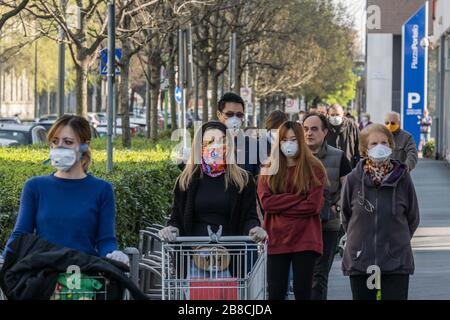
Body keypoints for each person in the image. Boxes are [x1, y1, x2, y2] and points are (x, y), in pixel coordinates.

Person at [3, 115, 128, 265]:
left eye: (68, 142)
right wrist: (5, 258)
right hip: (43, 278)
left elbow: (105, 240)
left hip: (86, 279)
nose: (59, 147)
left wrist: (113, 254)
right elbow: (21, 234)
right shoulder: (35, 187)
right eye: (55, 141)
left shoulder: (102, 190)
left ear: (84, 146)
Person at [341, 124, 420, 300]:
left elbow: (413, 217)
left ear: (391, 146)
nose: (379, 147)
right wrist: (360, 241)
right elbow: (346, 216)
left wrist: (398, 242)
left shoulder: (403, 178)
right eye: (374, 143)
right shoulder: (353, 179)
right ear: (364, 149)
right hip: (361, 260)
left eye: (384, 142)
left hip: (396, 260)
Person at [159, 121, 266, 241]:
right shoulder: (186, 180)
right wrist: (171, 229)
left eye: (222, 141)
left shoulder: (243, 180)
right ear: (200, 146)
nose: (216, 146)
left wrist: (254, 229)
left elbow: (249, 216)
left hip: (232, 252)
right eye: (210, 142)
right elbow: (176, 218)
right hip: (193, 252)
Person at [258, 121, 327, 300]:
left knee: (303, 291)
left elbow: (313, 205)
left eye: (294, 139)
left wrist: (280, 204)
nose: (289, 143)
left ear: (301, 141)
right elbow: (266, 203)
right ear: (278, 142)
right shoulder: (268, 169)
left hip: (305, 238)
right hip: (276, 237)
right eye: (285, 139)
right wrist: (298, 197)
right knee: (275, 291)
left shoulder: (315, 168)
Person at [302, 113, 352, 300]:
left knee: (319, 276)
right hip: (299, 226)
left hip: (327, 226)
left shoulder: (339, 157)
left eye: (314, 129)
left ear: (325, 132)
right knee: (302, 277)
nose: (309, 133)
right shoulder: (292, 156)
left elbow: (349, 189)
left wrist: (337, 208)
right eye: (305, 129)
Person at [326, 104, 360, 168]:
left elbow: (359, 146)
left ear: (343, 114)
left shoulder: (352, 126)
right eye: (332, 115)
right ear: (328, 115)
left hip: (349, 166)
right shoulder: (324, 126)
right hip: (329, 167)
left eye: (337, 114)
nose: (335, 117)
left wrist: (358, 166)